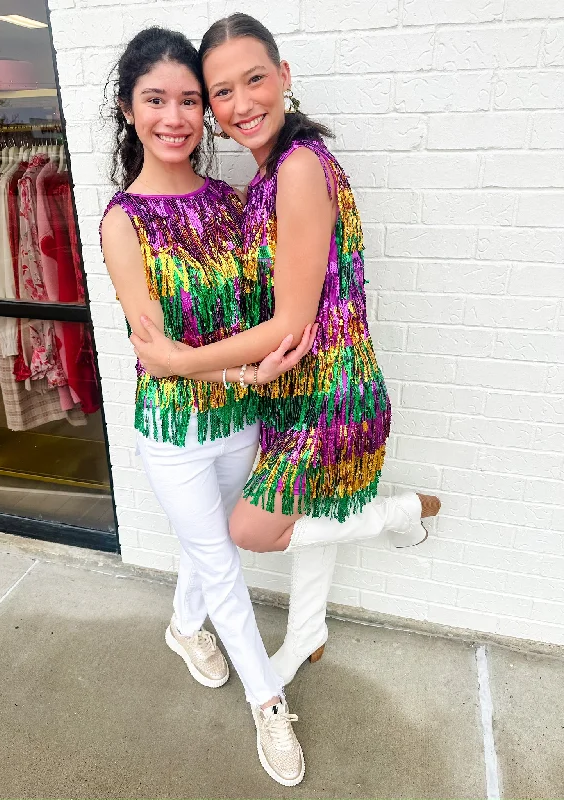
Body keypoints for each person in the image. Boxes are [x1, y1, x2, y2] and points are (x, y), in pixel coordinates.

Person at [133, 14, 440, 695]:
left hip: (330, 397)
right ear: (211, 107)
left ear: (285, 77)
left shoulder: (299, 169)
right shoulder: (267, 175)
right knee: (314, 516)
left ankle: (399, 513)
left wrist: (181, 361)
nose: (241, 103)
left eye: (255, 80)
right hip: (290, 391)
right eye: (221, 92)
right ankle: (306, 634)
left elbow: (292, 320)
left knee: (252, 529)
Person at [100, 27, 316, 786]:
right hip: (177, 430)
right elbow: (154, 353)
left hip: (244, 425)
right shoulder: (123, 221)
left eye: (191, 100)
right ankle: (269, 704)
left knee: (209, 547)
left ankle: (182, 627)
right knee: (222, 565)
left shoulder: (230, 202)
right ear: (129, 110)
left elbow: (271, 305)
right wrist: (242, 379)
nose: (176, 116)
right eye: (156, 100)